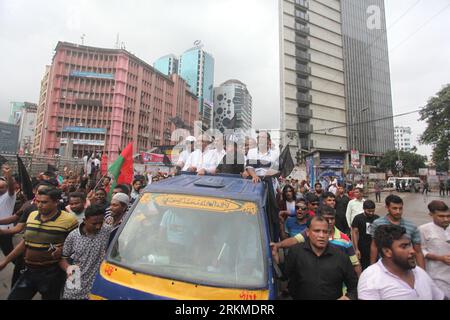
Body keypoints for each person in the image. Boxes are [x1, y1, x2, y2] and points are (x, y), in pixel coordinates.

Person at [0, 188, 78, 300]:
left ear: (56, 202)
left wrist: (61, 249)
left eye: (44, 202)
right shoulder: (32, 215)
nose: (40, 205)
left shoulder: (69, 220)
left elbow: (76, 245)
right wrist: (5, 261)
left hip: (52, 274)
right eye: (38, 201)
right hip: (29, 271)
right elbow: (25, 243)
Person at [358, 224, 444, 300]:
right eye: (404, 247)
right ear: (387, 252)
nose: (412, 251)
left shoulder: (420, 272)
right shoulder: (371, 278)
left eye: (410, 245)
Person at [272, 206, 362, 277]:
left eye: (332, 218)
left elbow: (355, 264)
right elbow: (294, 240)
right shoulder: (309, 233)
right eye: (326, 219)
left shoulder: (345, 240)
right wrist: (278, 245)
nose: (330, 222)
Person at [283, 216, 358, 300]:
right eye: (317, 231)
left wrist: (348, 297)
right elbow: (284, 277)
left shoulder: (340, 256)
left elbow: (354, 286)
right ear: (308, 232)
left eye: (325, 232)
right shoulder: (296, 252)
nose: (321, 235)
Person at [60, 205, 112, 300]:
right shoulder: (73, 236)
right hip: (75, 281)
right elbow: (62, 258)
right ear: (84, 220)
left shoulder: (107, 231)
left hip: (96, 283)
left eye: (101, 223)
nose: (98, 227)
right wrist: (68, 268)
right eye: (94, 223)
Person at [369, 195, 426, 269]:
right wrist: (372, 267)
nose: (398, 211)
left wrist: (422, 273)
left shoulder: (412, 227)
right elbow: (374, 246)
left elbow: (418, 252)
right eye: (394, 208)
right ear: (387, 207)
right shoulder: (377, 224)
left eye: (400, 208)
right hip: (384, 267)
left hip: (405, 267)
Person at [418, 200, 450, 298]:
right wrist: (439, 258)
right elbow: (419, 251)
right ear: (431, 214)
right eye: (441, 216)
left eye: (448, 216)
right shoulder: (423, 229)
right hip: (436, 276)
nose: (446, 219)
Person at [351, 200, 380, 270]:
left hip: (374, 247)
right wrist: (356, 249)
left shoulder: (377, 218)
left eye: (373, 211)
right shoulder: (357, 218)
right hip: (362, 247)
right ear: (364, 209)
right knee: (363, 267)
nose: (371, 213)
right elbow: (354, 233)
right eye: (369, 211)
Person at [0, 164, 17, 258]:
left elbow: (11, 187)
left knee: (9, 253)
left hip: (5, 230)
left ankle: (20, 268)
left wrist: (8, 176)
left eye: (2, 187)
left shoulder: (9, 196)